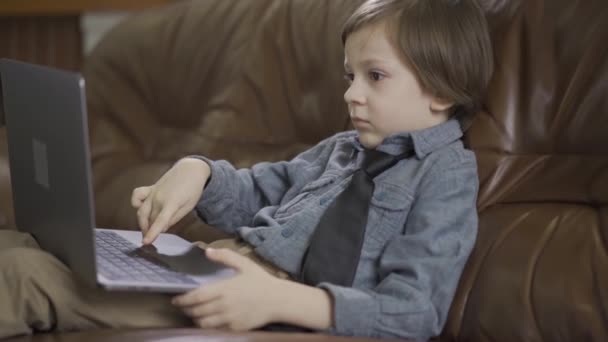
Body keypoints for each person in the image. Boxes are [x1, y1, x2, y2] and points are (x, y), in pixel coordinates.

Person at [0, 0, 493, 340]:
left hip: (264, 304)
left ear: (442, 90)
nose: (351, 94)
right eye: (350, 75)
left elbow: (415, 312)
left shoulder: (444, 177)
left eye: (375, 76)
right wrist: (199, 172)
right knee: (20, 243)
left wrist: (278, 301)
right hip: (216, 264)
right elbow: (258, 190)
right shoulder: (344, 149)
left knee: (24, 277)